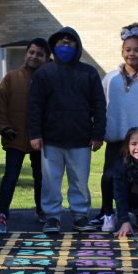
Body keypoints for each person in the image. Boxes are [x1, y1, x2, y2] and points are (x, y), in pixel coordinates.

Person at [27, 26, 106, 233]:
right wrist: (35, 134)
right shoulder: (44, 73)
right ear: (53, 46)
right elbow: (34, 105)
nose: (65, 44)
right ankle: (52, 216)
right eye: (61, 41)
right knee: (51, 182)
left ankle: (80, 215)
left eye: (70, 41)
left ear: (77, 46)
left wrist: (98, 134)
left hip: (81, 139)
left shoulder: (88, 73)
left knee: (80, 181)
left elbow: (99, 105)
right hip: (50, 139)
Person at [97, 23, 138, 232]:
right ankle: (107, 213)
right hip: (116, 139)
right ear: (122, 51)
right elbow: (100, 105)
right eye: (128, 50)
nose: (131, 54)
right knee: (109, 177)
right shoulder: (110, 79)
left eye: (136, 50)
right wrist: (104, 129)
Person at [0, 38, 50, 234]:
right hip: (15, 136)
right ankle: (1, 213)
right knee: (10, 176)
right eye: (31, 52)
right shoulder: (12, 78)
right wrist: (4, 127)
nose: (34, 56)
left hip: (40, 138)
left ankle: (42, 209)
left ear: (46, 58)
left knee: (41, 176)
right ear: (26, 54)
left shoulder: (49, 81)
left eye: (39, 54)